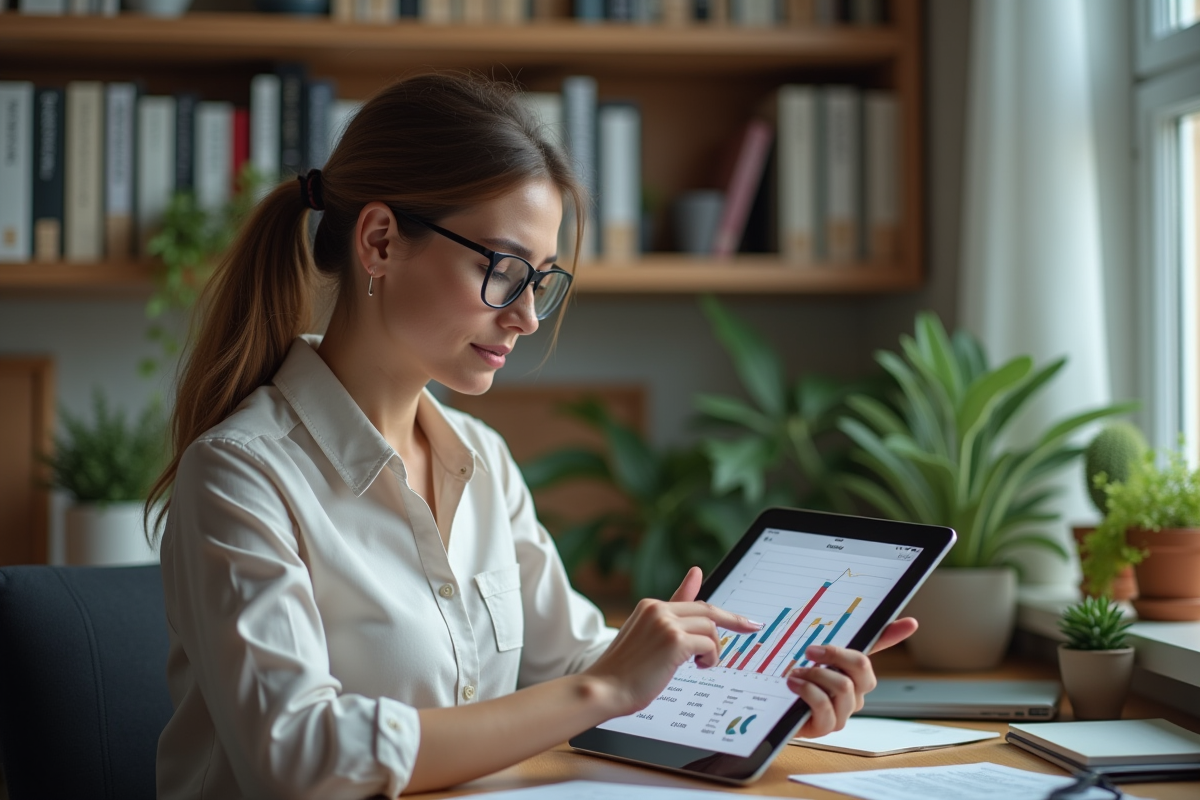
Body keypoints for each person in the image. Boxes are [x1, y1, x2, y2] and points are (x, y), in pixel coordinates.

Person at [147, 73, 917, 800]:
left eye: (541, 280)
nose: (525, 317)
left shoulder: (480, 460)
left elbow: (576, 661)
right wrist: (601, 688)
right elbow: (296, 756)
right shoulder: (240, 474)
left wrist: (763, 694)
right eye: (505, 269)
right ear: (379, 241)